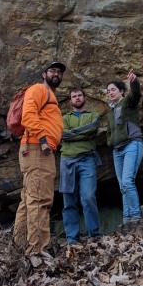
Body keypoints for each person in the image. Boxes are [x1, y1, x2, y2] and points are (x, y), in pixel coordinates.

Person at [13, 61, 65, 257]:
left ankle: (20, 247)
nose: (56, 74)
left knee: (29, 200)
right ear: (44, 74)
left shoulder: (50, 95)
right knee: (40, 199)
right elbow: (28, 116)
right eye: (52, 71)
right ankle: (37, 250)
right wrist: (43, 138)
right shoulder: (38, 89)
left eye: (59, 72)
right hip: (38, 148)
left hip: (37, 149)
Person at [59, 87, 101, 244]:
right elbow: (62, 134)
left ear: (85, 98)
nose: (77, 98)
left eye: (79, 95)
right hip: (67, 160)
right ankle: (72, 238)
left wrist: (72, 134)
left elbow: (92, 130)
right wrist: (81, 133)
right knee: (69, 200)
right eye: (74, 96)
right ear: (70, 101)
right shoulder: (64, 118)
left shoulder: (93, 116)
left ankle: (95, 235)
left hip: (87, 159)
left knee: (88, 197)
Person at [106, 70, 143, 230]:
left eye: (113, 89)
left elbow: (135, 95)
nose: (110, 93)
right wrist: (110, 141)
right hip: (117, 149)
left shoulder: (127, 102)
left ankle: (136, 217)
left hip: (131, 144)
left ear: (121, 91)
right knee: (122, 186)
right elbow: (109, 130)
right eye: (108, 91)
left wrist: (134, 82)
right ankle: (127, 219)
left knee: (128, 182)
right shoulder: (110, 111)